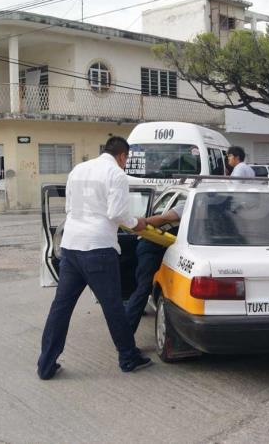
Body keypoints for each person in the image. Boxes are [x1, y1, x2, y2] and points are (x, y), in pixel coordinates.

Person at [37, 136, 151, 379]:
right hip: (98, 248)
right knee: (113, 307)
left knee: (61, 307)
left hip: (71, 246)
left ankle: (45, 365)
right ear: (122, 156)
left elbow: (70, 207)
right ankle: (128, 357)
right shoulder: (116, 174)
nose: (125, 163)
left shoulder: (78, 169)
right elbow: (117, 213)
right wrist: (137, 223)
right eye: (126, 159)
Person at [125, 200, 185, 333]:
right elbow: (164, 218)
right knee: (143, 288)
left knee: (145, 288)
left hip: (166, 248)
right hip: (151, 245)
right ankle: (125, 336)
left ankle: (133, 309)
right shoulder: (188, 202)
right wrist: (141, 223)